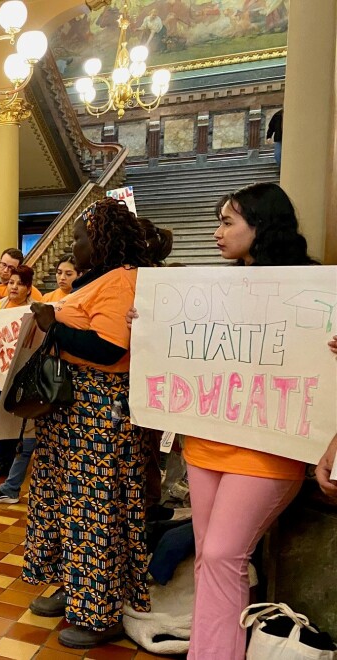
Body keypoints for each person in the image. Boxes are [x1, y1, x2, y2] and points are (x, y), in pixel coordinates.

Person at [180, 183, 315, 659]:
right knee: (210, 560)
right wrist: (151, 322)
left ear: (260, 226)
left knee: (221, 555)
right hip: (205, 442)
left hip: (268, 446)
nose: (218, 232)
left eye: (227, 222)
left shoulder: (315, 288)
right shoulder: (217, 290)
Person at [24, 197, 157, 648]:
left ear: (100, 241)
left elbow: (110, 349)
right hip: (73, 410)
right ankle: (74, 587)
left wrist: (53, 325)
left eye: (79, 238)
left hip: (99, 411)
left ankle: (100, 613)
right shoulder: (96, 280)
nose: (74, 246)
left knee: (94, 509)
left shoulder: (120, 281)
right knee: (68, 503)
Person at [0, 264, 36, 503]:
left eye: (19, 283)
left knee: (24, 432)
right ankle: (2, 465)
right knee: (0, 420)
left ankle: (13, 481)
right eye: (11, 282)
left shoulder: (34, 311)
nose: (13, 287)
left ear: (28, 287)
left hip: (23, 380)